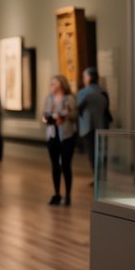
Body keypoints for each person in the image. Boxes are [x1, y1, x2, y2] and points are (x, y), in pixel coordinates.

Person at [42, 75, 78, 206]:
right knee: (55, 165)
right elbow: (44, 114)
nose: (52, 85)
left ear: (62, 84)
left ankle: (68, 195)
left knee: (66, 165)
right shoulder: (49, 98)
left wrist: (64, 115)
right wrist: (47, 118)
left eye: (55, 83)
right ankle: (57, 193)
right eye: (52, 83)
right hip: (52, 134)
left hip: (67, 135)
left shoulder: (69, 99)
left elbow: (75, 115)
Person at [77, 67, 111, 178]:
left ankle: (97, 178)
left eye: (84, 77)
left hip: (88, 128)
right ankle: (102, 177)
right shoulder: (103, 92)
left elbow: (79, 109)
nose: (83, 79)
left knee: (92, 153)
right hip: (102, 126)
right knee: (102, 151)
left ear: (88, 77)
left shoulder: (83, 93)